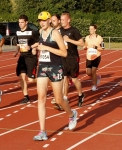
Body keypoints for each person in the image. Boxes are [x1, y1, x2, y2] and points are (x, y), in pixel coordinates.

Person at [33, 11, 78, 141]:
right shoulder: (41, 33)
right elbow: (42, 47)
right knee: (41, 98)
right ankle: (42, 131)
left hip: (55, 68)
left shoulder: (55, 33)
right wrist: (36, 47)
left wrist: (46, 48)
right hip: (43, 67)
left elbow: (64, 53)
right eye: (40, 20)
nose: (41, 22)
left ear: (49, 21)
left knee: (58, 100)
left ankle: (71, 114)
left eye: (44, 20)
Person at [60, 12, 85, 107]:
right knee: (65, 78)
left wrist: (69, 40)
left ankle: (80, 95)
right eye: (61, 19)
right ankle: (65, 98)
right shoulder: (59, 31)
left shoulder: (74, 30)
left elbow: (82, 43)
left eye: (63, 19)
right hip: (63, 57)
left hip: (73, 57)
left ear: (68, 20)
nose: (61, 21)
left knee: (74, 79)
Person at [14, 14, 39, 104]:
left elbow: (38, 42)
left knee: (31, 80)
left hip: (31, 57)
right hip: (22, 57)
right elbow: (18, 44)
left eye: (22, 22)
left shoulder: (32, 32)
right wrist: (16, 51)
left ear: (26, 22)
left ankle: (44, 81)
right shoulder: (18, 32)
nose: (20, 24)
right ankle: (26, 96)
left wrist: (31, 47)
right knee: (21, 77)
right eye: (19, 22)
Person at [83, 24, 104, 91]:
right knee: (88, 73)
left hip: (96, 56)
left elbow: (102, 48)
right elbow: (85, 46)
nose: (90, 30)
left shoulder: (99, 37)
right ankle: (97, 77)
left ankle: (95, 85)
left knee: (93, 71)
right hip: (89, 56)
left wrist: (95, 47)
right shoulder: (87, 38)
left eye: (92, 29)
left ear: (95, 29)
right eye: (89, 29)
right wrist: (84, 47)